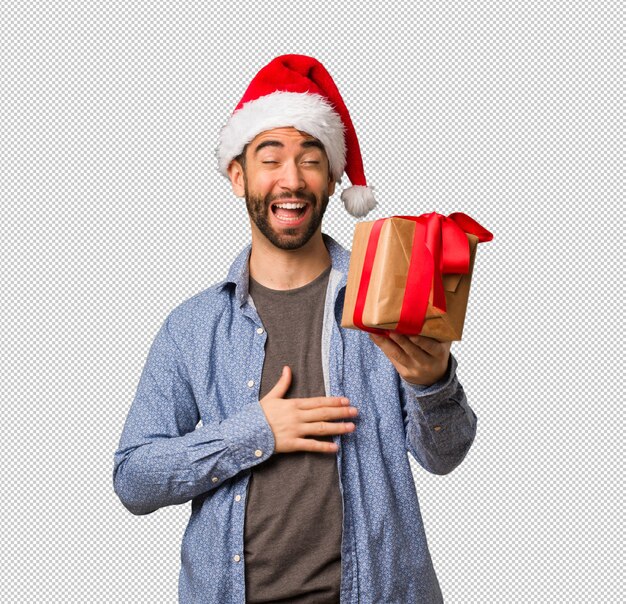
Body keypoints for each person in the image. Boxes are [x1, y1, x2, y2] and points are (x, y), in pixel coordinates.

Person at [113, 54, 477, 604]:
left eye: (311, 159)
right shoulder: (192, 328)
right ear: (238, 176)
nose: (292, 179)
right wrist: (253, 433)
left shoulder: (386, 297)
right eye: (271, 158)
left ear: (333, 177)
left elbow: (443, 457)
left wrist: (434, 382)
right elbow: (134, 480)